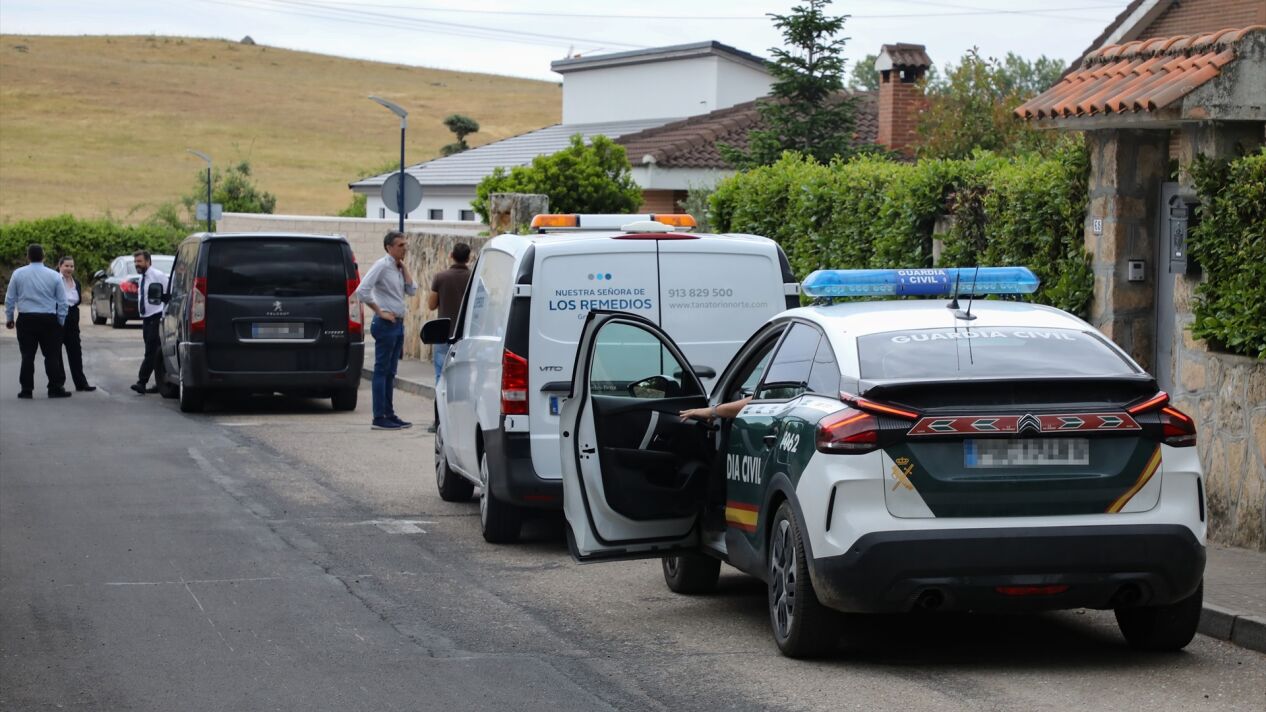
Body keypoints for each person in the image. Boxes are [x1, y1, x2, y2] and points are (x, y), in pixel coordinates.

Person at [355, 231, 416, 431]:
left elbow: (412, 290)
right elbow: (362, 291)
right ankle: (379, 416)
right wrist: (379, 312)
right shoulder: (381, 265)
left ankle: (389, 413)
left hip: (397, 324)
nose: (404, 248)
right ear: (389, 248)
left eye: (405, 245)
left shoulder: (398, 267)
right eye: (400, 245)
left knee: (391, 372)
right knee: (381, 370)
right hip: (385, 324)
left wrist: (404, 267)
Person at [5, 243, 70, 399]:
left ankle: (26, 389)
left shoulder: (18, 274)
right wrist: (60, 320)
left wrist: (10, 318)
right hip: (48, 319)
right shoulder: (54, 275)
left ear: (28, 256)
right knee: (52, 355)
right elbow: (63, 301)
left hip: (26, 318)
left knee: (27, 356)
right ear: (43, 257)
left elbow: (10, 298)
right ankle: (55, 388)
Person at [426, 242, 472, 432]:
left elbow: (431, 304)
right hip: (466, 336)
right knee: (466, 379)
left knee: (441, 378)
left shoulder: (441, 277)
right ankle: (464, 420)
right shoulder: (474, 277)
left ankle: (439, 421)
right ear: (468, 257)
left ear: (451, 255)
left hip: (444, 335)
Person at [130, 250, 168, 395]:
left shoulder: (158, 275)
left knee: (151, 351)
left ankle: (142, 382)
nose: (137, 264)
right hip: (146, 318)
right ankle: (161, 382)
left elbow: (168, 293)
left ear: (148, 261)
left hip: (156, 317)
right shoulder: (142, 278)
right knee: (155, 351)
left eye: (139, 261)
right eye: (135, 262)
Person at [56, 256, 96, 392]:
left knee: (75, 352)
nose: (69, 269)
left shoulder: (76, 283)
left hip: (73, 320)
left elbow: (76, 301)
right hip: (58, 319)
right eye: (66, 266)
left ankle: (81, 383)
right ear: (60, 266)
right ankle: (59, 383)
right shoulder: (55, 280)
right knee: (56, 353)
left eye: (71, 266)